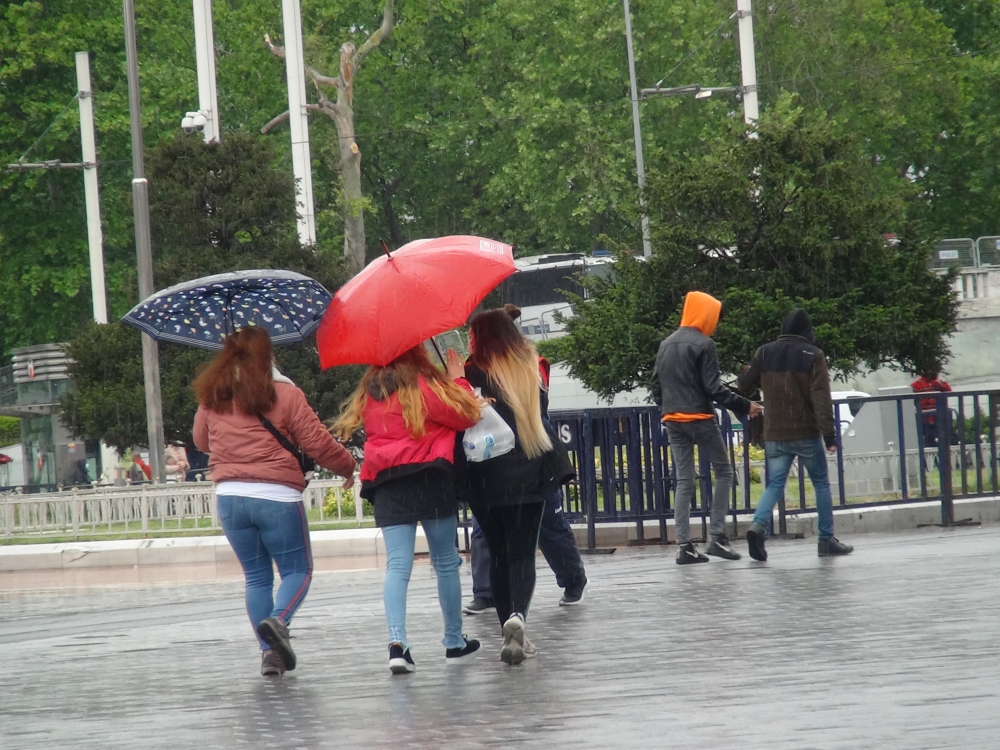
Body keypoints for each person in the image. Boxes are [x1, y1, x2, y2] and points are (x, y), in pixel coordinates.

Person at [192, 328, 356, 677]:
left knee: (256, 578)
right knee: (298, 570)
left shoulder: (214, 395)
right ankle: (279, 622)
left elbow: (200, 441)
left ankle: (270, 656)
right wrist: (347, 466)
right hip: (277, 497)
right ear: (268, 356)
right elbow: (317, 443)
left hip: (231, 498)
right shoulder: (285, 393)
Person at [333, 345, 482, 675]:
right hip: (429, 476)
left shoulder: (370, 393)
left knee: (397, 564)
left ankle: (397, 644)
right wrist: (458, 381)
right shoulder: (421, 386)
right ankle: (454, 642)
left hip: (386, 481)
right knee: (445, 561)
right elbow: (466, 416)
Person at [460, 309, 571, 665]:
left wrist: (454, 379)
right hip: (529, 468)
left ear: (481, 337)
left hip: (484, 475)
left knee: (497, 551)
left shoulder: (470, 372)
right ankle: (517, 618)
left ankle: (506, 622)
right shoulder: (529, 367)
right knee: (523, 552)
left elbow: (460, 416)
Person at [650, 291, 761, 564]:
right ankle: (717, 538)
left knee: (684, 480)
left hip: (672, 419)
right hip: (699, 417)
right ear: (706, 314)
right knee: (723, 472)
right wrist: (746, 406)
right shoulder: (705, 344)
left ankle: (685, 547)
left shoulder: (666, 343)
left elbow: (655, 384)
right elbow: (714, 388)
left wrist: (668, 407)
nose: (716, 323)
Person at [737, 308, 854, 560]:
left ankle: (758, 526)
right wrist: (829, 435)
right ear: (806, 330)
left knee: (775, 483)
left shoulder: (765, 352)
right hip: (806, 431)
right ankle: (826, 540)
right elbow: (821, 398)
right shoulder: (813, 355)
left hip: (775, 433)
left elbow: (744, 383)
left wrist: (752, 374)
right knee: (820, 483)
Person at [910, 371, 952, 448]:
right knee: (929, 441)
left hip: (940, 417)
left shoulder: (938, 382)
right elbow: (912, 401)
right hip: (926, 419)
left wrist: (939, 382)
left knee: (945, 440)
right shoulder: (916, 385)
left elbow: (948, 390)